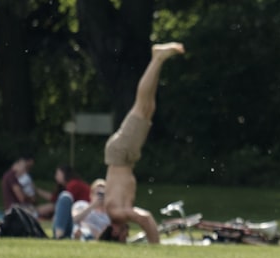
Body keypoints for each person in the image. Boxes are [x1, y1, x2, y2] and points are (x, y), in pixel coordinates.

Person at [101, 42, 185, 243]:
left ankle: (158, 57)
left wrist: (155, 246)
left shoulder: (117, 215)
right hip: (124, 155)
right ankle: (157, 61)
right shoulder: (116, 213)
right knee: (148, 108)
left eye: (123, 237)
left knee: (141, 108)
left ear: (114, 232)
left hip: (121, 154)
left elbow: (146, 218)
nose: (127, 234)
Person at [50, 165, 91, 238]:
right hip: (74, 217)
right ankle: (59, 235)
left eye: (58, 174)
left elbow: (62, 203)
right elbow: (53, 199)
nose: (56, 177)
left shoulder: (73, 184)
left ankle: (58, 236)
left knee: (65, 197)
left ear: (64, 174)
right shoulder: (70, 185)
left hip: (78, 218)